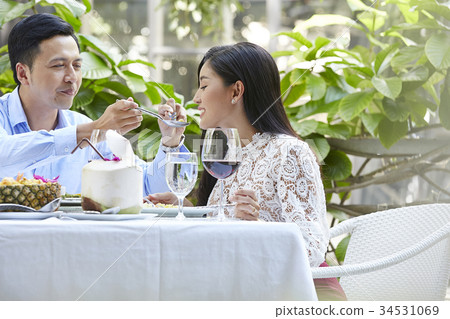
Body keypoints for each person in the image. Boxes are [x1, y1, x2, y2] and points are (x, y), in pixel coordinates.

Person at [147, 42, 346, 301]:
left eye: (204, 85)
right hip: (243, 286)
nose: (196, 98)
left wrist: (259, 226)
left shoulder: (289, 152)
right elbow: (224, 229)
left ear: (236, 90)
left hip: (296, 294)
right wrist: (184, 203)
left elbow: (312, 248)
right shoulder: (229, 151)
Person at [0, 13, 186, 195]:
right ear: (23, 74)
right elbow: (5, 154)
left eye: (77, 66)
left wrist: (170, 143)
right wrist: (95, 130)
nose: (72, 77)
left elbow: (146, 187)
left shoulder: (83, 126)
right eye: (58, 65)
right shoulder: (88, 131)